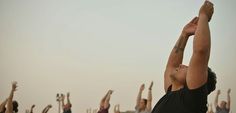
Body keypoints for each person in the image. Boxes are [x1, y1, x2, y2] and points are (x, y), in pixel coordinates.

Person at [151, 1, 216, 113]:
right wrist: (184, 35)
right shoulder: (171, 92)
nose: (181, 65)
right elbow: (172, 66)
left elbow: (200, 52)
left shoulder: (192, 99)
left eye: (187, 67)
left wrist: (203, 16)